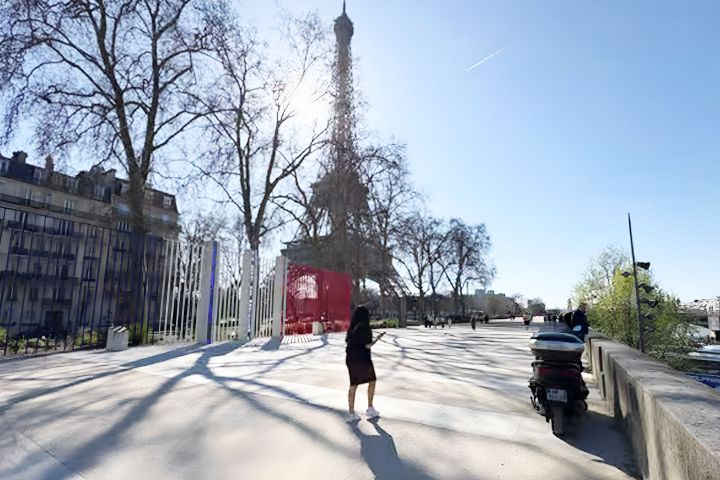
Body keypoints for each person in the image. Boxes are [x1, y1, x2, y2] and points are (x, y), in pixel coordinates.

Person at [345, 306, 384, 422]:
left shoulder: (352, 328)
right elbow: (367, 345)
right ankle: (370, 408)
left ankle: (351, 413)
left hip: (350, 358)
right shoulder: (365, 327)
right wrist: (377, 339)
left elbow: (349, 342)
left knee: (353, 384)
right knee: (372, 381)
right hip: (363, 358)